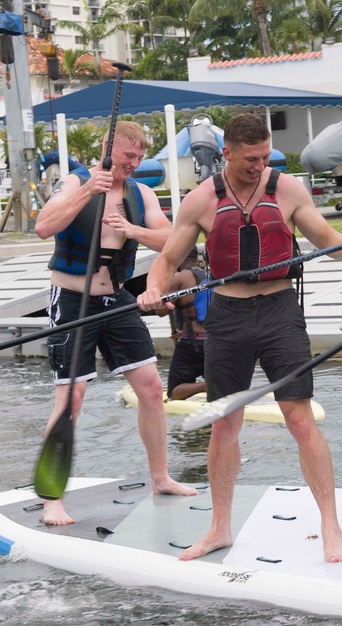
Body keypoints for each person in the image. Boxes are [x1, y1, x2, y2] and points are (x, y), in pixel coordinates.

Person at [137, 113, 342, 563]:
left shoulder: (289, 189)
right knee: (225, 422)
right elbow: (166, 259)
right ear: (227, 154)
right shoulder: (201, 200)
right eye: (249, 160)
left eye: (264, 158)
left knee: (300, 419)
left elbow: (326, 237)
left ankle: (330, 525)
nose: (258, 167)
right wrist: (152, 289)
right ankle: (220, 528)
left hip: (280, 312)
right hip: (227, 316)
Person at [34, 120, 198, 526]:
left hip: (116, 299)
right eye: (129, 155)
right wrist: (91, 189)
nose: (134, 162)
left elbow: (177, 241)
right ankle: (52, 497)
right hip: (72, 300)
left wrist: (131, 229)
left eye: (140, 156)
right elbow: (43, 226)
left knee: (152, 387)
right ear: (108, 147)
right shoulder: (75, 182)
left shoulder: (140, 194)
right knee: (71, 399)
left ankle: (160, 477)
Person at [159, 247, 210, 401]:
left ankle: (208, 386)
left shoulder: (181, 277)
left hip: (192, 345)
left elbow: (161, 310)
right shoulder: (210, 275)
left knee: (174, 391)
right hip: (215, 341)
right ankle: (218, 385)